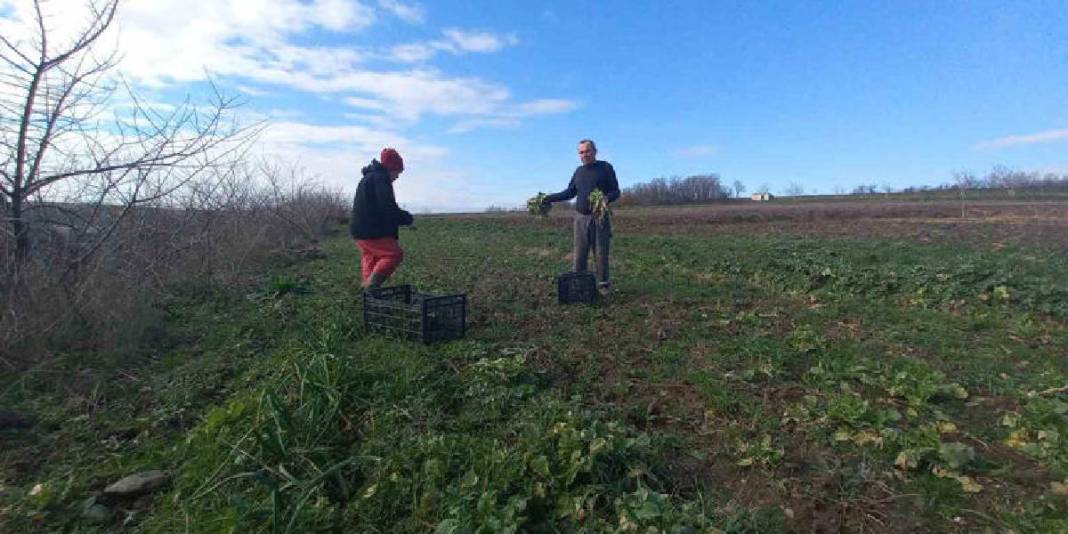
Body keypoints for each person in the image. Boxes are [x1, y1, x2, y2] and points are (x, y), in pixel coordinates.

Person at [542, 139, 621, 294]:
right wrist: (548, 198)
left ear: (595, 151)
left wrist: (606, 198)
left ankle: (603, 285)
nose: (584, 155)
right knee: (580, 252)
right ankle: (578, 283)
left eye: (587, 151)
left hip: (600, 217)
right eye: (581, 152)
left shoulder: (605, 168)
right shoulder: (579, 172)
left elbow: (616, 191)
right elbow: (569, 192)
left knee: (601, 251)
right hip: (580, 217)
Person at [350, 147, 414, 289]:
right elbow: (387, 207)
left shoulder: (369, 177)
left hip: (359, 230)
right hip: (372, 230)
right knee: (394, 255)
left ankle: (369, 296)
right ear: (390, 168)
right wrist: (407, 218)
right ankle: (371, 286)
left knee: (370, 257)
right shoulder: (380, 178)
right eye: (397, 172)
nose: (397, 176)